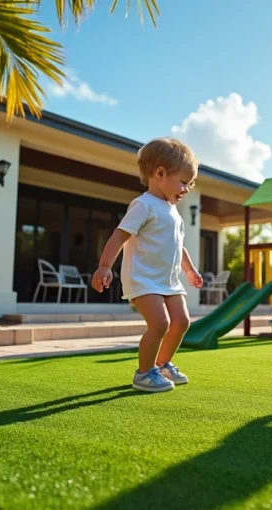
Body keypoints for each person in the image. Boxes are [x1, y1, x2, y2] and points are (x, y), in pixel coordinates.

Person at [91, 138, 204, 392]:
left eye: (190, 183)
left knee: (182, 321)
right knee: (160, 324)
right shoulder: (143, 205)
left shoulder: (174, 212)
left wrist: (190, 270)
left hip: (169, 281)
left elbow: (179, 245)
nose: (186, 189)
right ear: (160, 173)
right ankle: (144, 373)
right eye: (184, 182)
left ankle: (163, 364)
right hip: (144, 279)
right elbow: (119, 236)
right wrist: (105, 266)